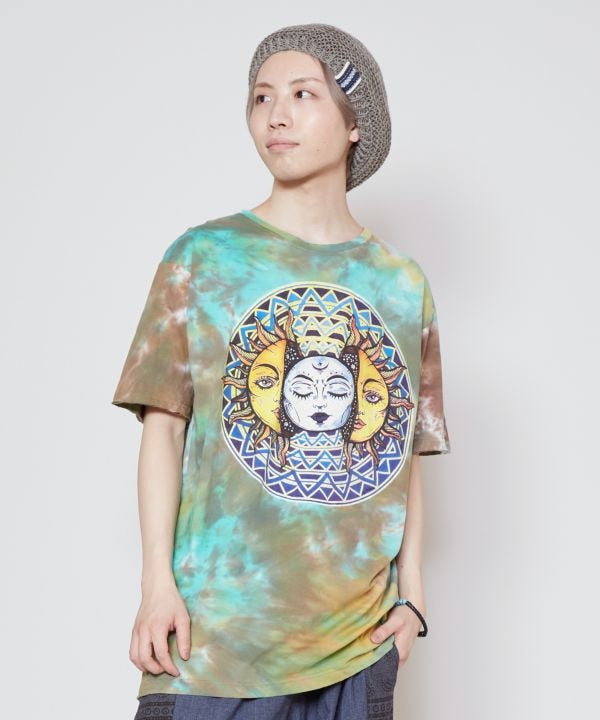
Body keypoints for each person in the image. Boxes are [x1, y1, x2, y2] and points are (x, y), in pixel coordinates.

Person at [112, 22, 451, 720]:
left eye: (303, 94)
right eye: (261, 97)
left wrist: (412, 593)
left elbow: (405, 452)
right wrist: (156, 585)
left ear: (355, 124)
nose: (276, 115)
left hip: (357, 645)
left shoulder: (400, 283)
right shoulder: (203, 257)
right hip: (214, 641)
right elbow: (162, 431)